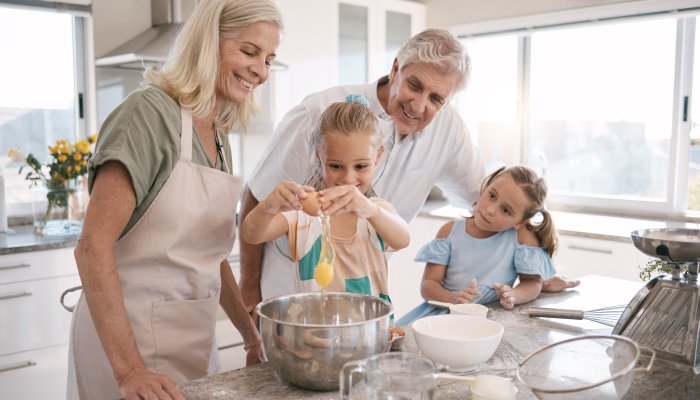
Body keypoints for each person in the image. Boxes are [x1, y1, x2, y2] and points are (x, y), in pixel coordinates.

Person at [239, 29, 578, 323]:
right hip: (294, 293)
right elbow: (257, 195)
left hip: (364, 294)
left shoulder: (446, 132)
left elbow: (488, 206)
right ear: (397, 68)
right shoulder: (320, 113)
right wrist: (249, 293)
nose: (418, 106)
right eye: (414, 85)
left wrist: (539, 269)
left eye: (435, 98)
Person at [65, 1, 282, 399]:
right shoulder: (147, 115)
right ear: (206, 44)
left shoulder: (217, 135)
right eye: (249, 52)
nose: (261, 70)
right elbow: (91, 248)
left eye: (269, 58)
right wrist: (130, 369)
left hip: (194, 341)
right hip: (129, 349)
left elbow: (209, 255)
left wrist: (250, 337)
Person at [241, 97, 409, 303]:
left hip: (369, 331)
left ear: (378, 157)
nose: (348, 178)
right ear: (320, 159)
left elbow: (403, 238)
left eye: (360, 166)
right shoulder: (301, 216)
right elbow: (251, 235)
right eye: (336, 166)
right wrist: (269, 205)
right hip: (315, 332)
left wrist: (371, 210)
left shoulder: (377, 213)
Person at [396, 166, 559, 326]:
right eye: (492, 195)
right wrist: (451, 299)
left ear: (520, 222)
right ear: (487, 186)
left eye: (506, 210)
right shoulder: (449, 232)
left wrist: (514, 294)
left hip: (490, 320)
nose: (490, 210)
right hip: (443, 317)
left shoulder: (522, 238)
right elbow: (428, 284)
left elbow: (533, 283)